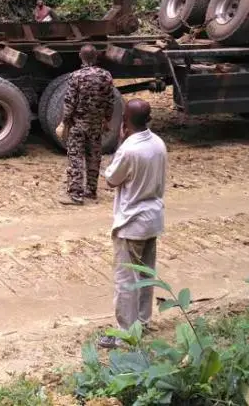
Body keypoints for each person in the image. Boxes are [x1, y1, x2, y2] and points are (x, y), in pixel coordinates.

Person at [99, 98, 167, 348]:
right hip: (153, 218)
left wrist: (119, 141)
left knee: (126, 280)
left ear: (125, 122)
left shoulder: (129, 149)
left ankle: (126, 335)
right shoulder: (159, 143)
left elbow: (111, 179)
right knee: (146, 274)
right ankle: (143, 321)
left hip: (131, 223)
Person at [59, 43, 115, 205]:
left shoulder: (76, 76)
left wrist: (65, 121)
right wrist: (107, 120)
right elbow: (110, 101)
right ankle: (91, 190)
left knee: (76, 157)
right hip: (96, 123)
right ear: (96, 56)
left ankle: (76, 194)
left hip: (78, 124)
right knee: (94, 156)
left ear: (80, 56)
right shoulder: (106, 76)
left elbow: (70, 102)